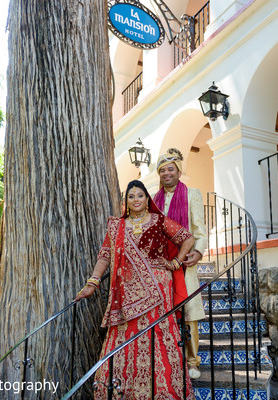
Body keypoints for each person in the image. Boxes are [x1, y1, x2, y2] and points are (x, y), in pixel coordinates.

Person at [75, 180, 196, 400]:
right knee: (124, 334)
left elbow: (187, 238)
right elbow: (105, 255)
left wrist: (176, 263)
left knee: (157, 332)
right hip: (125, 292)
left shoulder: (159, 221)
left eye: (140, 195)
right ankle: (121, 390)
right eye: (131, 196)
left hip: (158, 287)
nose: (136, 200)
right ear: (126, 201)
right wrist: (92, 283)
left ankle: (163, 391)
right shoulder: (116, 225)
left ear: (147, 198)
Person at [153, 148, 207, 380]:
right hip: (160, 265)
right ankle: (167, 359)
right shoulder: (152, 200)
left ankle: (192, 361)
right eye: (162, 170)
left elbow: (199, 231)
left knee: (188, 312)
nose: (166, 173)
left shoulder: (192, 194)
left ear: (178, 171)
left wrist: (198, 252)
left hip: (184, 263)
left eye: (170, 169)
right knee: (163, 312)